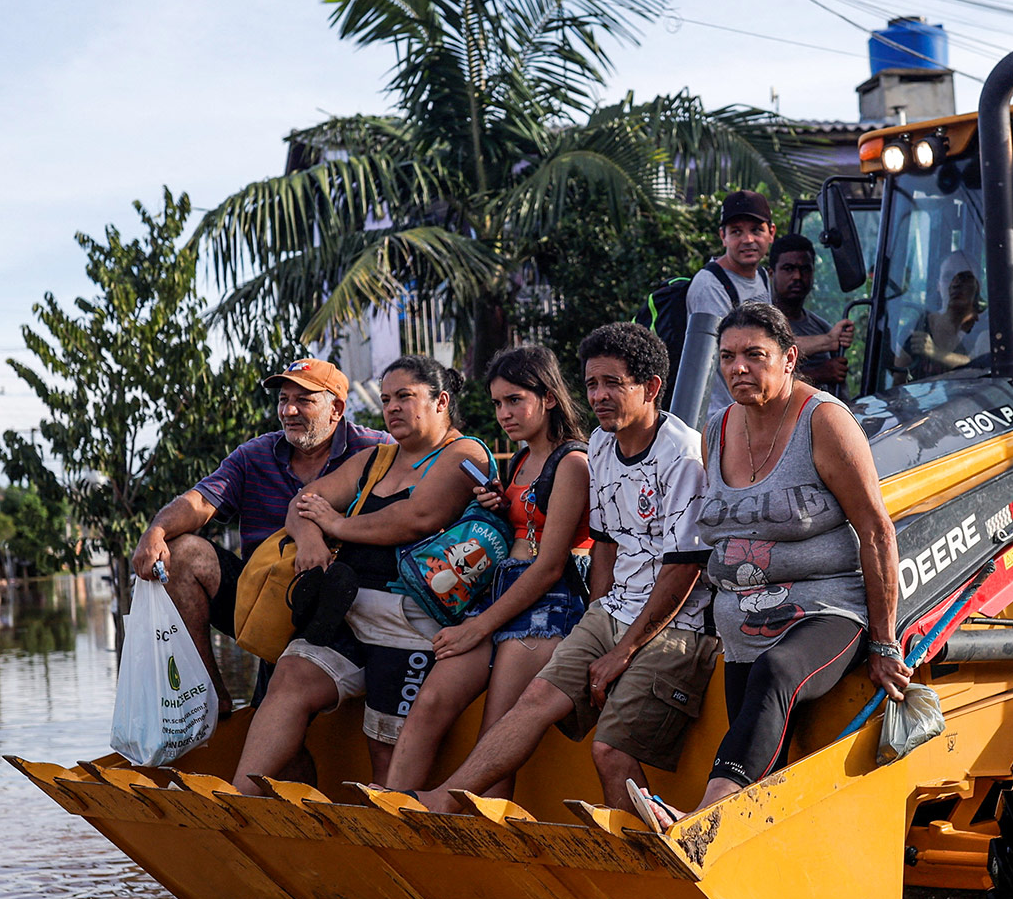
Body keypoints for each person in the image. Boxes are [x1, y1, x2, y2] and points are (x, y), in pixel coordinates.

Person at [409, 323, 717, 816]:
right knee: (533, 703)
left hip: (674, 623)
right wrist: (599, 614)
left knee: (609, 750)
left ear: (652, 388)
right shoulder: (599, 443)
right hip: (613, 609)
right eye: (592, 384)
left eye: (613, 383)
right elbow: (607, 543)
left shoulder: (682, 456)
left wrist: (623, 649)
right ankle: (444, 801)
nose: (598, 395)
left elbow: (683, 569)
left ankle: (642, 863)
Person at [679, 302, 908, 814]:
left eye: (755, 355)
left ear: (789, 358)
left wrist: (885, 641)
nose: (739, 367)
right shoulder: (715, 429)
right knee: (764, 769)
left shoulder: (823, 420)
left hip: (824, 611)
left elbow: (875, 529)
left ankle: (705, 815)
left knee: (776, 672)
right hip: (740, 626)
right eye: (728, 356)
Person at [230, 356, 490, 788]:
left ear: (441, 400)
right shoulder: (376, 459)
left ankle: (391, 843)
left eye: (405, 396)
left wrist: (335, 524)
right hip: (349, 615)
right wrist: (311, 540)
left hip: (413, 627)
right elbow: (303, 503)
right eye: (387, 399)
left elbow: (418, 517)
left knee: (385, 754)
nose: (392, 408)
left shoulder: (465, 454)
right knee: (289, 677)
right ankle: (238, 800)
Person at [380, 346, 592, 796]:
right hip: (499, 595)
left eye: (515, 400)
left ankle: (488, 844)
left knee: (495, 731)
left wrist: (476, 628)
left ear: (549, 397)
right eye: (497, 403)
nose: (504, 414)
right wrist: (497, 506)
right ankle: (392, 814)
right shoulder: (517, 463)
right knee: (431, 702)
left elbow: (550, 565)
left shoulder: (572, 463)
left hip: (545, 606)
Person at [127, 358, 386, 710]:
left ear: (336, 408)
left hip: (344, 601)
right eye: (283, 399)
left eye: (304, 400)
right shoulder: (255, 455)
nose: (289, 410)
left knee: (279, 704)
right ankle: (210, 701)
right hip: (263, 595)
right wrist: (155, 531)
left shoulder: (375, 449)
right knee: (183, 552)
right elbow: (201, 501)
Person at [687, 190, 777, 416]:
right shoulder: (710, 286)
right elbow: (721, 358)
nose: (748, 240)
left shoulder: (762, 277)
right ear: (723, 236)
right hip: (720, 416)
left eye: (756, 230)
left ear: (771, 233)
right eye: (736, 232)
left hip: (753, 410)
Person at [768, 233, 856, 397]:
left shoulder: (821, 327)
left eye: (805, 269)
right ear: (771, 273)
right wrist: (818, 374)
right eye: (788, 269)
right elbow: (765, 377)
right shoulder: (762, 323)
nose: (797, 277)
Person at [902, 266, 989, 379]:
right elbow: (898, 382)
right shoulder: (917, 328)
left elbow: (984, 366)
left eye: (965, 277)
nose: (955, 284)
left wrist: (936, 353)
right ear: (938, 285)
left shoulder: (988, 329)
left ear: (978, 285)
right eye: (948, 276)